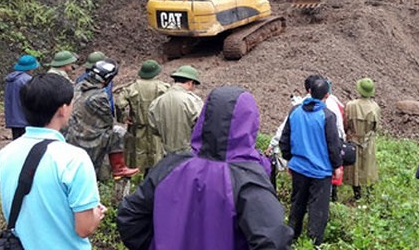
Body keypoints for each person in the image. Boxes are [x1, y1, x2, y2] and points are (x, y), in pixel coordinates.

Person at [117, 86, 293, 250]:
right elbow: (273, 241)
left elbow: (130, 217)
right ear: (250, 123)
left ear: (204, 117)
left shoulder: (170, 166)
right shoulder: (249, 179)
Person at [0, 73, 106, 249]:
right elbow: (84, 228)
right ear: (62, 109)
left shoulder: (4, 155)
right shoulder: (74, 159)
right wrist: (96, 214)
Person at [280, 78, 342, 246]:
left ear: (309, 92)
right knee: (318, 211)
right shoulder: (328, 116)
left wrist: (289, 160)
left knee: (297, 205)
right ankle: (314, 244)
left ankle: (290, 240)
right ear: (327, 95)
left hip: (299, 169)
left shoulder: (295, 111)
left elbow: (284, 140)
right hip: (320, 173)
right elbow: (333, 145)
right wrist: (337, 166)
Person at [65, 59, 139, 179]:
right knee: (117, 132)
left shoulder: (78, 87)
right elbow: (108, 121)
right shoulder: (99, 96)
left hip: (71, 133)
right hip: (87, 138)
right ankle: (118, 168)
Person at [116, 60, 169, 175]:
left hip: (138, 128)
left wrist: (124, 117)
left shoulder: (132, 87)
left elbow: (119, 102)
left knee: (137, 155)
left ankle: (136, 180)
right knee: (156, 154)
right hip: (157, 129)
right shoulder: (163, 88)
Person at [148, 65, 203, 155]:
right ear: (190, 83)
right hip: (189, 153)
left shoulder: (157, 102)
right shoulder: (193, 101)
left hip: (167, 153)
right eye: (194, 85)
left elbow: (154, 128)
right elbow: (202, 126)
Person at [343, 77, 381, 201]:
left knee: (354, 168)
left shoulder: (350, 105)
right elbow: (376, 127)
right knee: (368, 166)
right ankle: (369, 195)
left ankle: (357, 194)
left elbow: (345, 124)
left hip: (353, 139)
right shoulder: (375, 107)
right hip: (368, 141)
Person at [4, 54, 39, 139]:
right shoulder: (27, 80)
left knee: (17, 143)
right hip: (25, 119)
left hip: (13, 119)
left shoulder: (11, 80)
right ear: (31, 68)